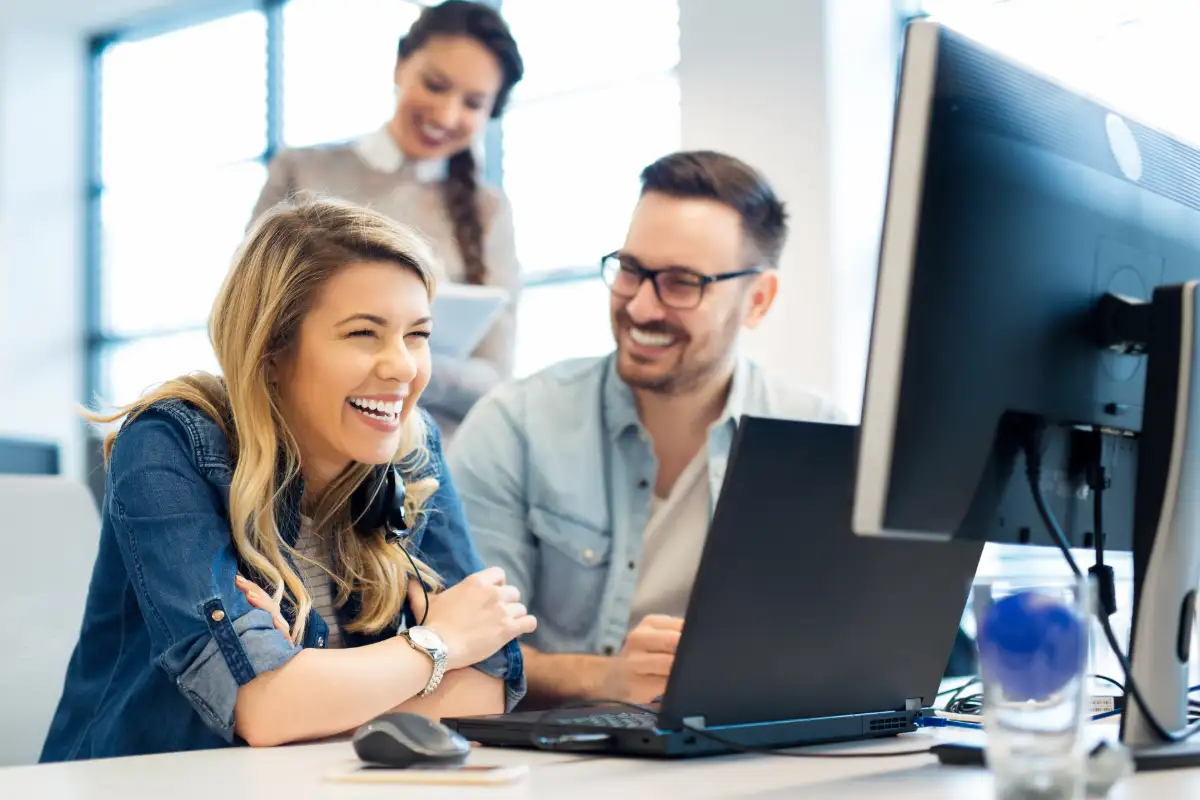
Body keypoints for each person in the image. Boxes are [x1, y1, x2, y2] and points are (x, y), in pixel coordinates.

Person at [39, 196, 535, 763]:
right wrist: (436, 643)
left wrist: (309, 685)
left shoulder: (410, 450)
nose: (402, 366)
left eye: (416, 335)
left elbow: (487, 687)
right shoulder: (168, 443)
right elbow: (264, 708)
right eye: (363, 334)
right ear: (272, 347)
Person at [446, 150, 843, 707]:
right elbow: (464, 650)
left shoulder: (821, 441)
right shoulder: (515, 426)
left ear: (757, 300)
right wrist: (603, 679)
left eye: (681, 283)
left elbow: (853, 650)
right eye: (631, 270)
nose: (641, 305)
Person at [250, 0, 524, 436]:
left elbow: (495, 376)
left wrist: (398, 363)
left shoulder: (489, 212)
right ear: (400, 65)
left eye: (473, 103)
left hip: (425, 460)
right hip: (298, 441)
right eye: (435, 85)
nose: (447, 115)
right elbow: (248, 318)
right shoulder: (302, 172)